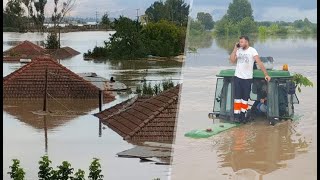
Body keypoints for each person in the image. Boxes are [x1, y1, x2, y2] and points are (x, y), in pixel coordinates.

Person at [229, 36, 271, 123]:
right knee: (237, 98)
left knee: (245, 99)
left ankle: (242, 116)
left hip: (247, 78)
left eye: (242, 42)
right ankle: (236, 116)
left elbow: (259, 62)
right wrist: (234, 49)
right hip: (238, 77)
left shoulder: (252, 50)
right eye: (239, 42)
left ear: (247, 42)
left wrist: (266, 74)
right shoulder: (238, 50)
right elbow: (232, 60)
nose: (240, 43)